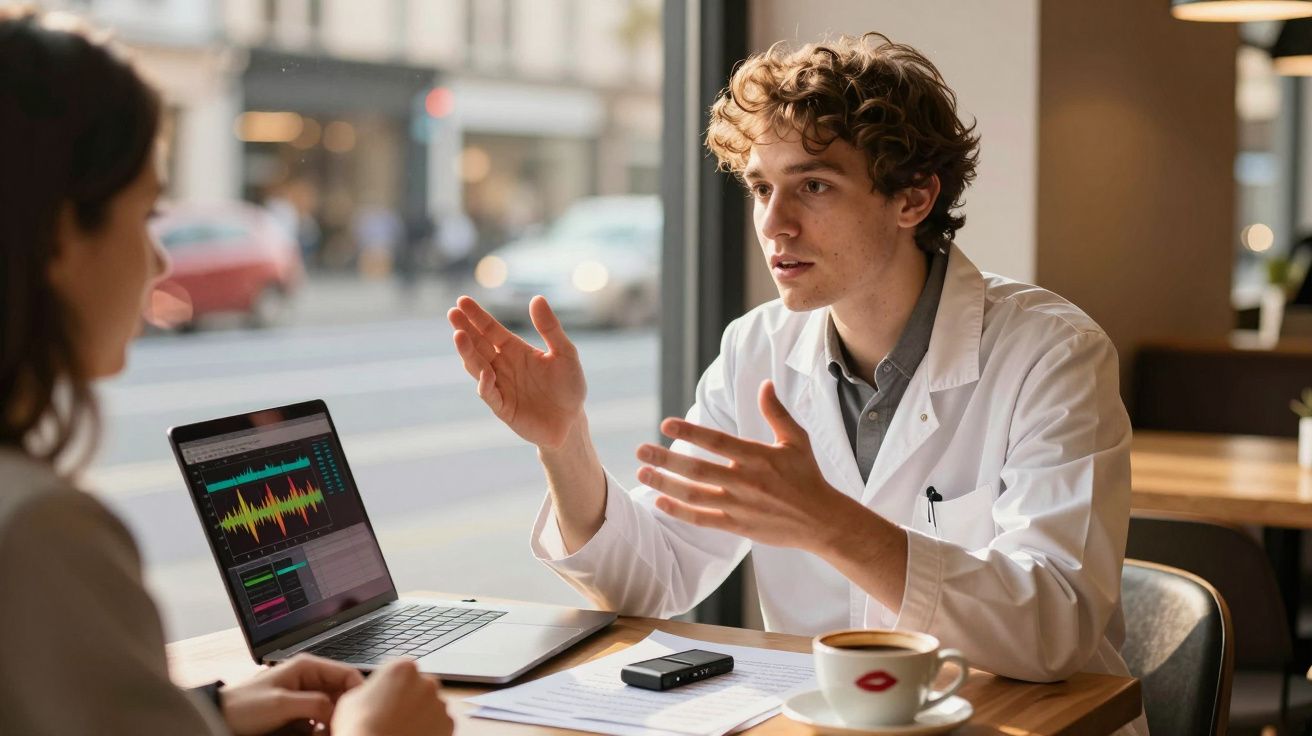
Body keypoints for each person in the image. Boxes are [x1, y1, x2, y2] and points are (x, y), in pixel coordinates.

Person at [449, 33, 1147, 736]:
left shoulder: (1053, 353)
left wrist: (829, 523)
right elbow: (652, 580)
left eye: (813, 185)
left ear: (913, 198)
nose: (774, 224)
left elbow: (1056, 626)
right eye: (760, 187)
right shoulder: (756, 349)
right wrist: (565, 442)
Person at [0, 9, 453, 735]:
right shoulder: (39, 534)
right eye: (148, 213)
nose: (162, 261)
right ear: (60, 234)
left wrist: (205, 716)